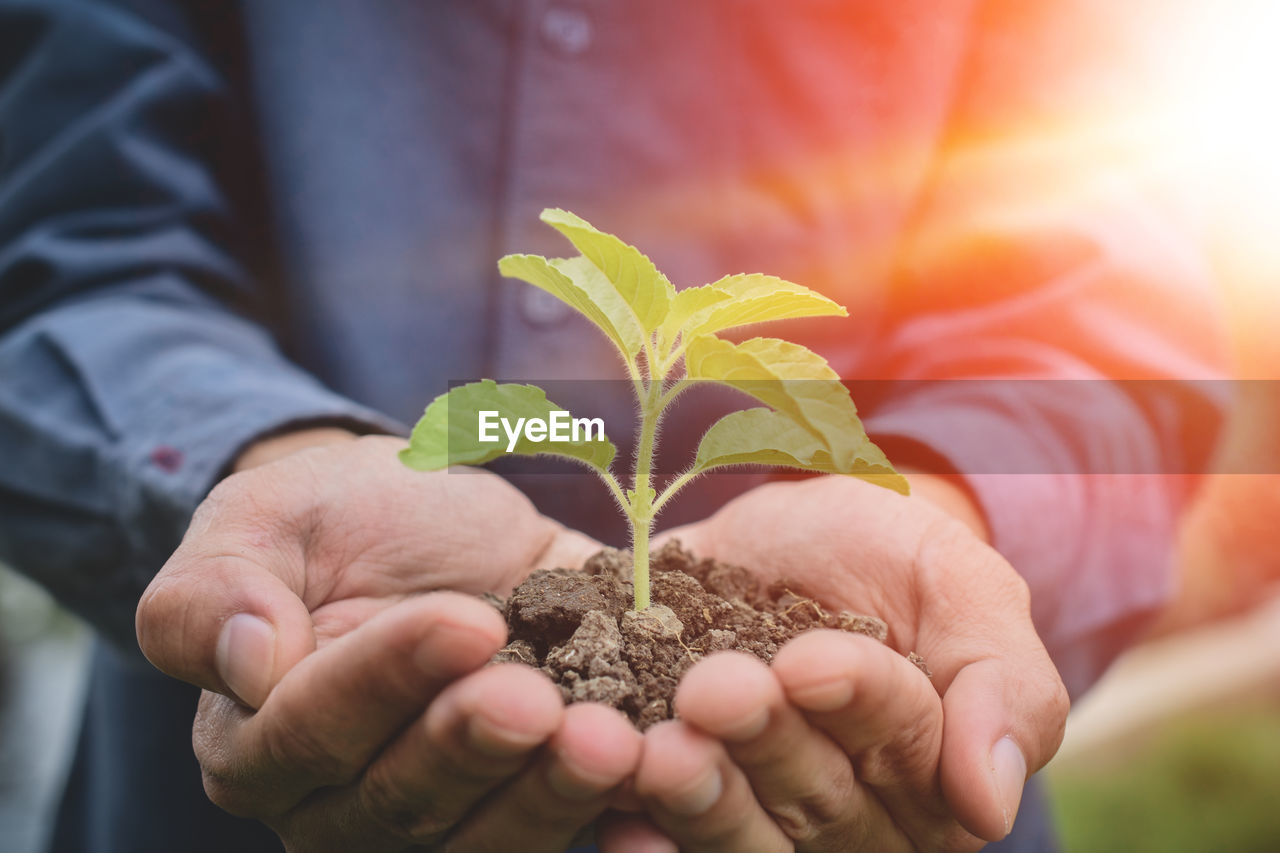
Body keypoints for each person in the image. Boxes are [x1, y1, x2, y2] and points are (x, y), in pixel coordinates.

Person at [0, 1, 1224, 851]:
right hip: (257, 800)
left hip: (863, 812)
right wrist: (270, 464)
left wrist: (944, 515)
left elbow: (1111, 319)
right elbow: (62, 253)